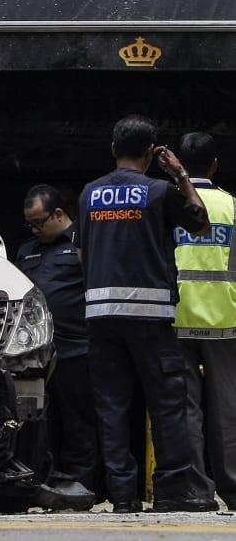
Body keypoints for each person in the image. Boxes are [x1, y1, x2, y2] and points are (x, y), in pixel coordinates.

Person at [74, 114, 217, 513]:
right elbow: (201, 225)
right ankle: (172, 492)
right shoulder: (158, 191)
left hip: (100, 315)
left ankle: (123, 496)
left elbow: (83, 254)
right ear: (153, 154)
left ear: (113, 149)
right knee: (168, 404)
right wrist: (181, 175)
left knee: (112, 405)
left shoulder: (89, 194)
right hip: (151, 318)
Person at [15, 184, 101, 508]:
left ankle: (82, 483)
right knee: (41, 421)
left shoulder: (83, 243)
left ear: (59, 214)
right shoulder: (27, 250)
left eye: (40, 222)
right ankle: (45, 479)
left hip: (77, 348)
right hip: (36, 353)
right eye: (30, 224)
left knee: (79, 421)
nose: (36, 230)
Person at [174, 132, 236, 511]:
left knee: (185, 409)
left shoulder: (171, 201)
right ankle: (232, 489)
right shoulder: (231, 205)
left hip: (176, 319)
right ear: (215, 165)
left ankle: (195, 489)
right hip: (225, 319)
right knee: (226, 409)